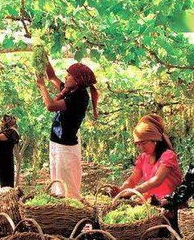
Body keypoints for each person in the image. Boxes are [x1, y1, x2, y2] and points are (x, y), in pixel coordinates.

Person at [36, 60, 99, 199]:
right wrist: (43, 57)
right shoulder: (72, 90)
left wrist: (41, 86)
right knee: (58, 186)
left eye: (68, 75)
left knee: (69, 190)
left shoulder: (79, 96)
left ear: (77, 80)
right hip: (58, 143)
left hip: (66, 148)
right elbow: (52, 76)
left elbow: (50, 106)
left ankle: (73, 216)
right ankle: (62, 214)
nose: (65, 77)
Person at [113, 114, 183, 201]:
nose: (141, 147)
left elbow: (156, 180)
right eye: (138, 144)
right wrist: (120, 191)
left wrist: (131, 192)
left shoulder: (168, 155)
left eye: (144, 143)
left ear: (155, 140)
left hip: (170, 204)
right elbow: (132, 180)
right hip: (152, 203)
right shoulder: (143, 158)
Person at [0, 114, 20, 188]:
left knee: (6, 183)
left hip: (5, 161)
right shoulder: (3, 131)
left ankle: (6, 198)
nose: (1, 123)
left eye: (3, 122)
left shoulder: (13, 132)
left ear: (8, 122)